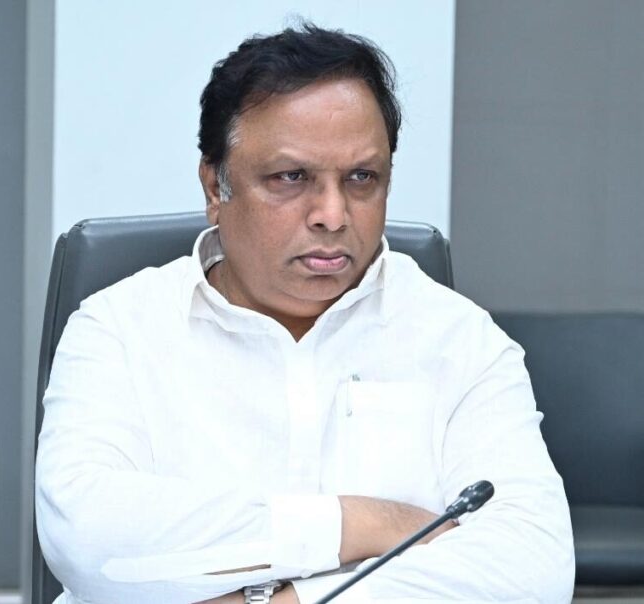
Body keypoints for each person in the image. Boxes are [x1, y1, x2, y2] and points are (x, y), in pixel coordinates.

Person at [35, 23, 574, 604]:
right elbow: (90, 538)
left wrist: (281, 600)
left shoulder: (461, 339)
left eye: (362, 178)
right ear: (215, 187)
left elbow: (532, 569)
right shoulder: (118, 329)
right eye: (291, 178)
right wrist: (363, 523)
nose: (332, 215)